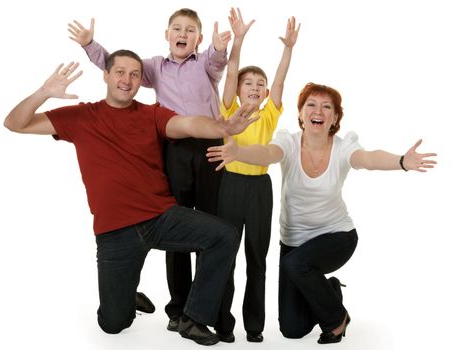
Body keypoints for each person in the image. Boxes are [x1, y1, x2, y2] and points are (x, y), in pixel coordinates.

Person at [4, 50, 259, 346]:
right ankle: (126, 296)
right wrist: (44, 92)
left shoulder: (151, 114)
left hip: (161, 218)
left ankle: (193, 317)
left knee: (224, 235)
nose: (127, 80)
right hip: (116, 232)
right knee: (113, 325)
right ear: (106, 75)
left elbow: (188, 124)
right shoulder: (81, 117)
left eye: (135, 74)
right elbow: (14, 123)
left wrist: (221, 127)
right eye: (120, 72)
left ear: (141, 81)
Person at [207, 82, 437, 344]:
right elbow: (268, 153)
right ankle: (330, 290)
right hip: (294, 243)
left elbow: (368, 159)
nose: (318, 111)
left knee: (297, 264)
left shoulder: (343, 147)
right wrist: (239, 152)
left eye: (327, 107)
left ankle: (337, 320)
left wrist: (401, 162)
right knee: (293, 329)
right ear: (302, 114)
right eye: (311, 105)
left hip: (336, 236)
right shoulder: (289, 143)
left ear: (335, 118)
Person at [67, 9, 231, 332]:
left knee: (211, 227)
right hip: (174, 146)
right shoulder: (154, 66)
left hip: (210, 147)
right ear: (167, 35)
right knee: (178, 227)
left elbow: (217, 59)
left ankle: (204, 312)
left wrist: (219, 47)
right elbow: (118, 68)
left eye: (190, 31)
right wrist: (90, 45)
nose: (183, 34)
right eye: (177, 29)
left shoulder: (206, 65)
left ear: (197, 38)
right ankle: (178, 308)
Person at [212, 9, 300, 343]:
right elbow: (232, 70)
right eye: (248, 83)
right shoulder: (228, 110)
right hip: (230, 185)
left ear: (264, 95)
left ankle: (255, 326)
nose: (255, 86)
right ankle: (223, 323)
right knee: (226, 256)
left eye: (259, 85)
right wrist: (239, 40)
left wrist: (288, 49)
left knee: (257, 259)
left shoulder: (268, 115)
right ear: (236, 91)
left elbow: (279, 80)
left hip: (260, 188)